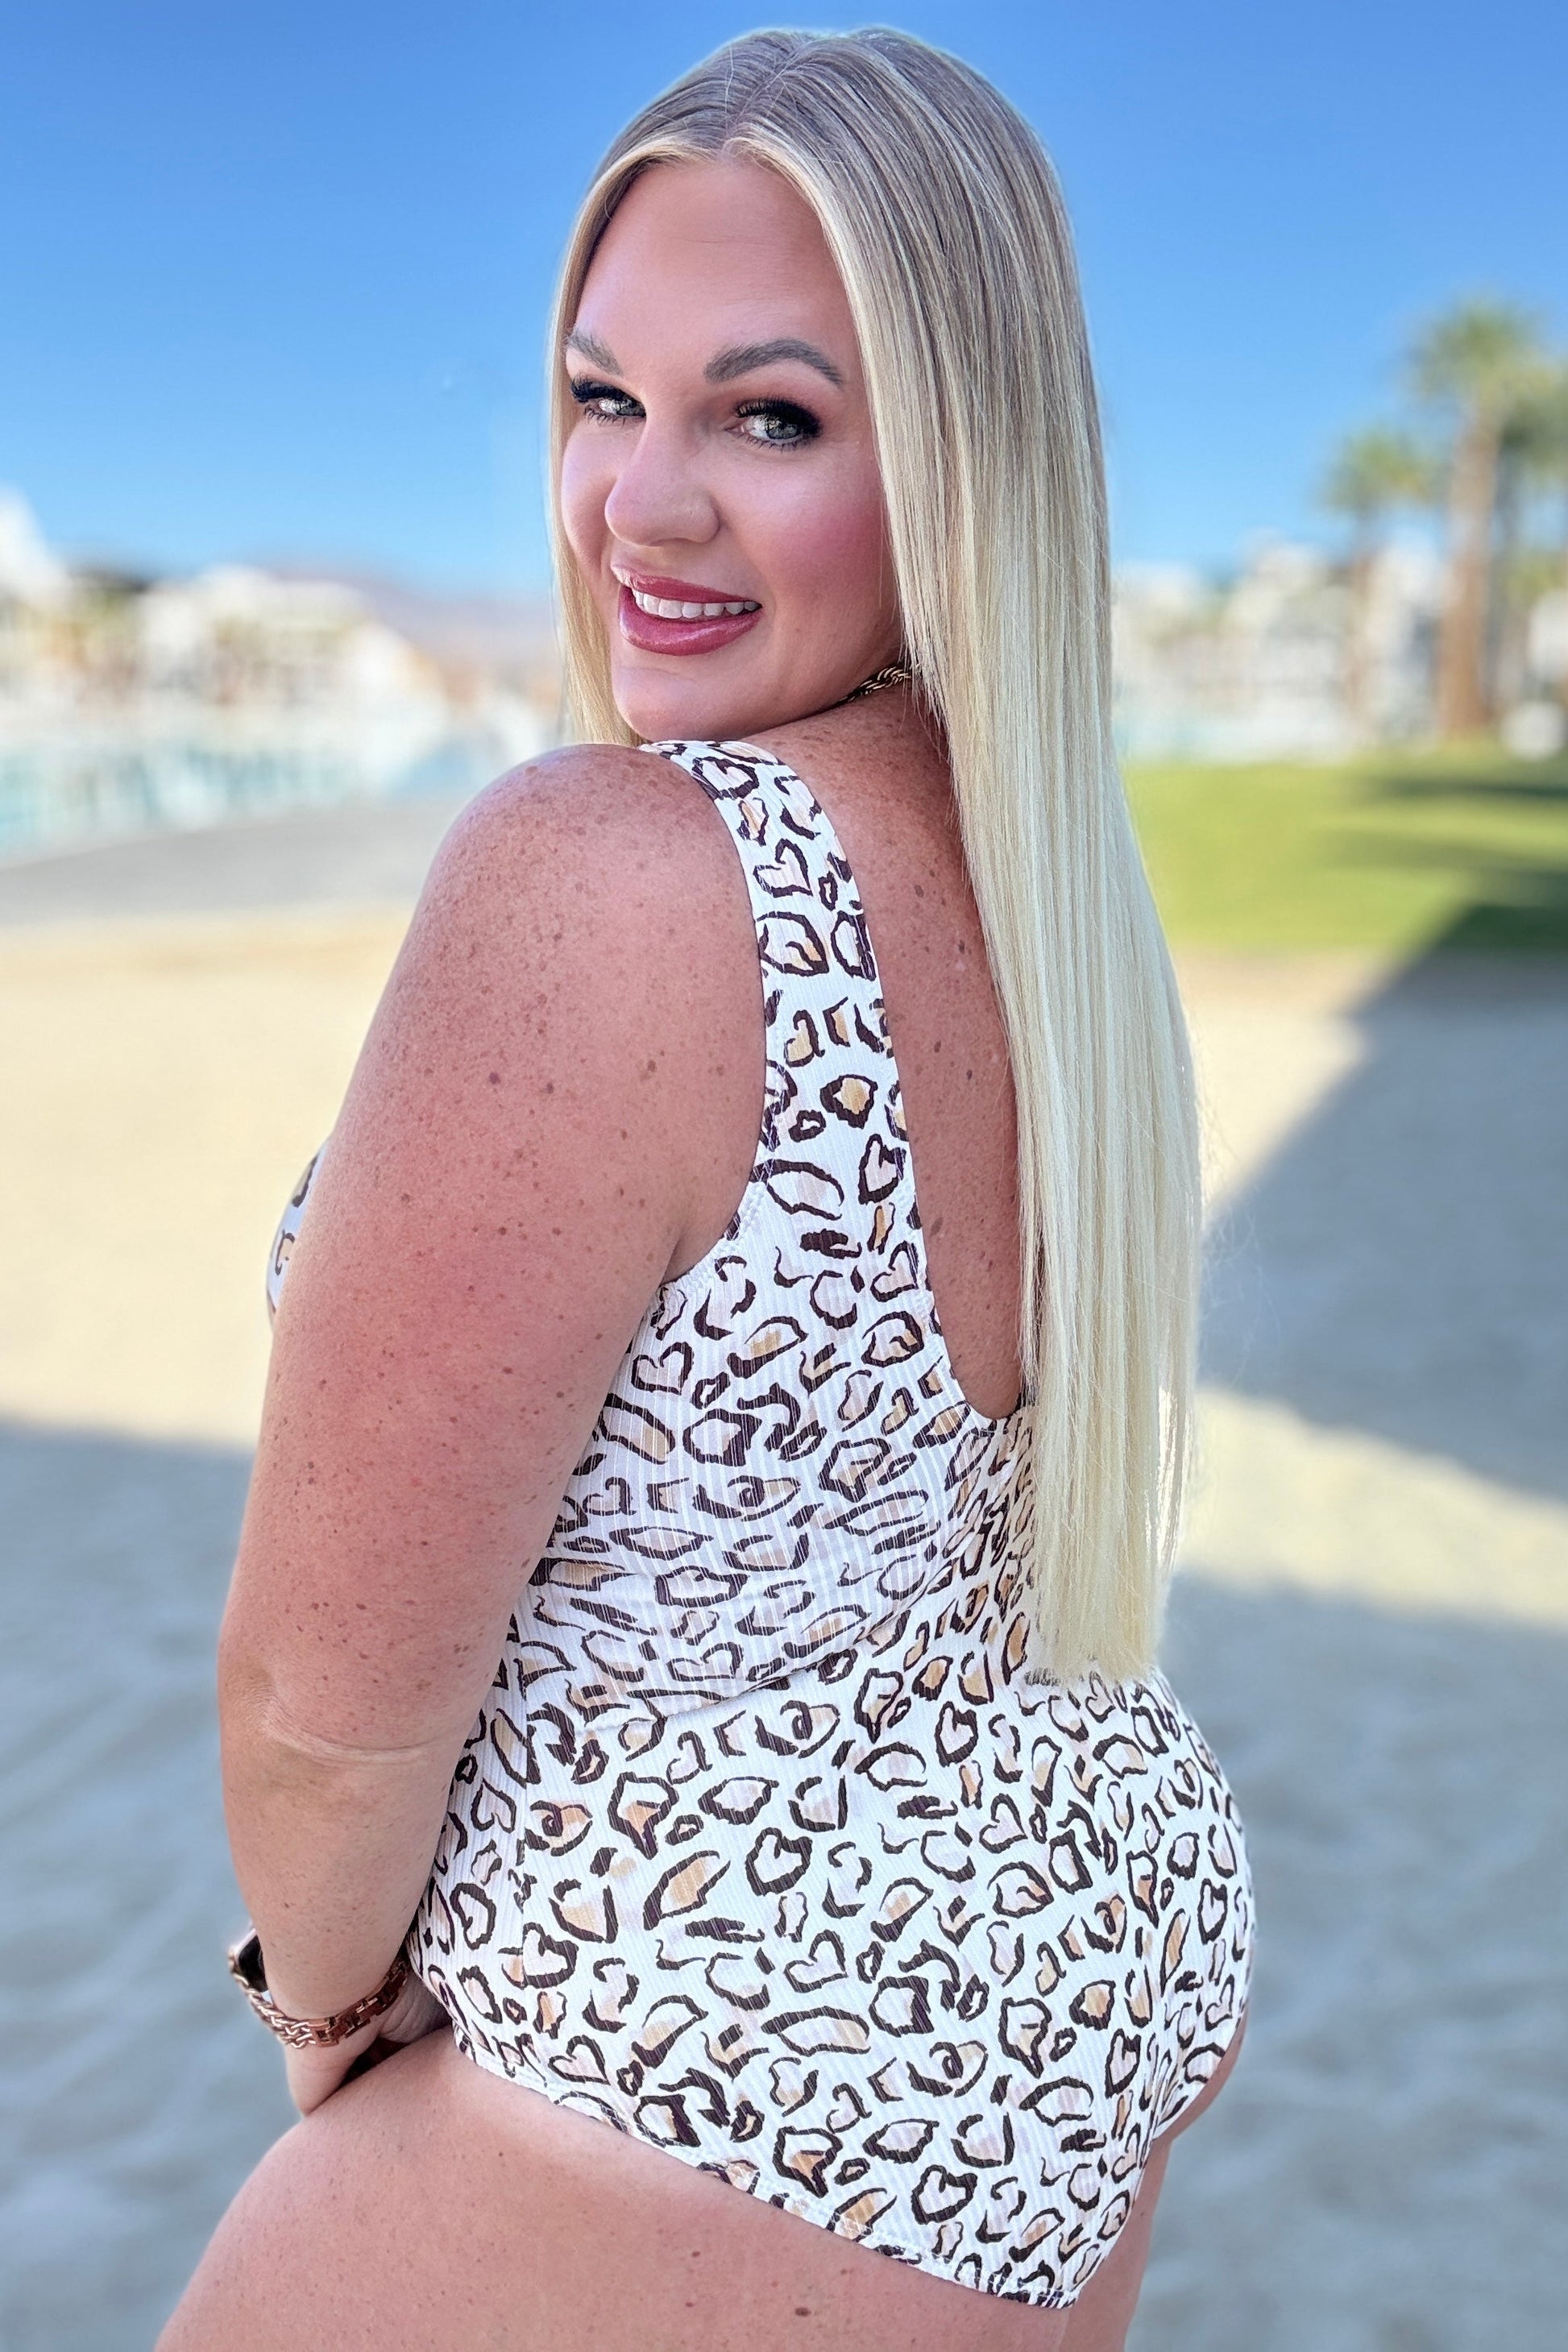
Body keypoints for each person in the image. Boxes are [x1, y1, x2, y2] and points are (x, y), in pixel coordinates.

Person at [160, 28, 1251, 2350]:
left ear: (957, 458)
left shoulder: (610, 874)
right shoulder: (1053, 889)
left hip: (718, 2048)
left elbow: (324, 1703)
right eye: (600, 397)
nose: (638, 507)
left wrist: (328, 2026)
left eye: (768, 419)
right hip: (1077, 1946)